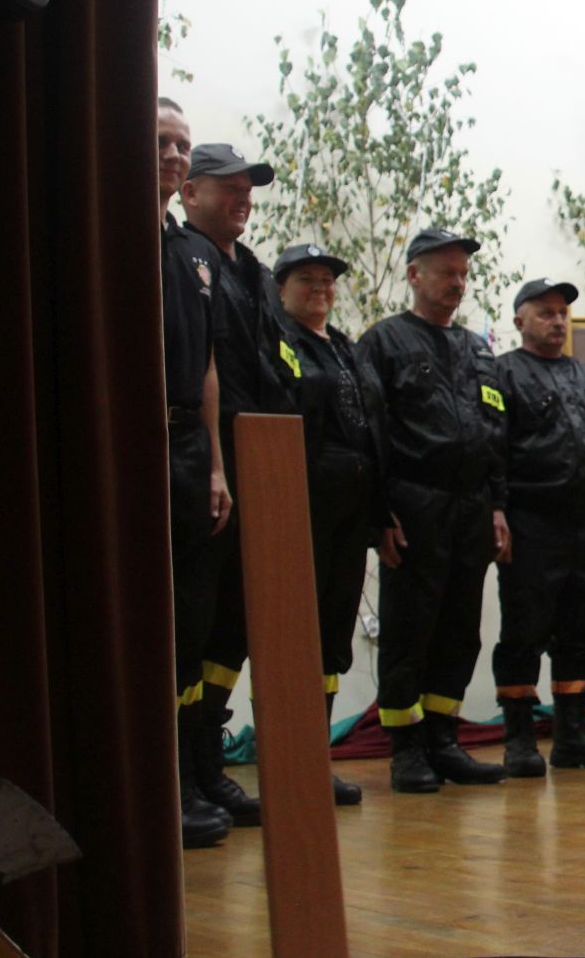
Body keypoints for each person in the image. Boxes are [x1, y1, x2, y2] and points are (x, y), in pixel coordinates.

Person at [359, 228, 511, 791]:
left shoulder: (476, 348)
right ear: (413, 274)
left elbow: (494, 431)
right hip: (414, 505)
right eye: (446, 271)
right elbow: (371, 434)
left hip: (471, 508)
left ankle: (444, 739)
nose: (457, 282)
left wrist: (498, 506)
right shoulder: (383, 343)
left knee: (460, 629)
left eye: (463, 273)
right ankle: (407, 748)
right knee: (409, 628)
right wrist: (380, 515)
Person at [177, 142, 296, 829]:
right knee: (192, 623)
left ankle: (209, 766)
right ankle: (184, 773)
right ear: (191, 193)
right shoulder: (183, 261)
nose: (242, 196)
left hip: (259, 467)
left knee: (231, 626)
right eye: (228, 186)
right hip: (208, 467)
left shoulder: (251, 271)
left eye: (249, 186)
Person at [490, 277, 585, 778]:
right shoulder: (502, 375)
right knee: (524, 632)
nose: (557, 321)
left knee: (580, 633)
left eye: (562, 314)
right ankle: (520, 741)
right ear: (519, 320)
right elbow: (492, 451)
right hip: (531, 523)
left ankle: (573, 736)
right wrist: (497, 511)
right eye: (546, 312)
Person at [269, 241, 389, 807]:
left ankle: (314, 760)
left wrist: (380, 513)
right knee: (294, 637)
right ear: (280, 287)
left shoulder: (345, 348)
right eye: (306, 277)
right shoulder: (275, 343)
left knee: (331, 641)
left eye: (327, 278)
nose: (320, 286)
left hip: (351, 516)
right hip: (301, 511)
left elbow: (373, 430)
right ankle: (285, 761)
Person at [157, 99, 233, 850]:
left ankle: (186, 775)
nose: (175, 154)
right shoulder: (111, 229)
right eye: (163, 142)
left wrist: (213, 462)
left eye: (182, 144)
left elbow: (206, 365)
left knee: (191, 619)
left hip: (186, 448)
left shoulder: (193, 256)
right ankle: (152, 783)